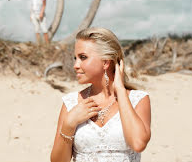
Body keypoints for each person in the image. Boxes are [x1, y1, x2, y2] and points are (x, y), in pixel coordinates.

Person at [50, 27, 151, 162]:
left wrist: (120, 90)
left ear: (105, 62)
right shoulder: (71, 103)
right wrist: (69, 125)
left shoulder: (137, 100)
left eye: (83, 57)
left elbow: (138, 143)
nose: (75, 65)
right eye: (76, 58)